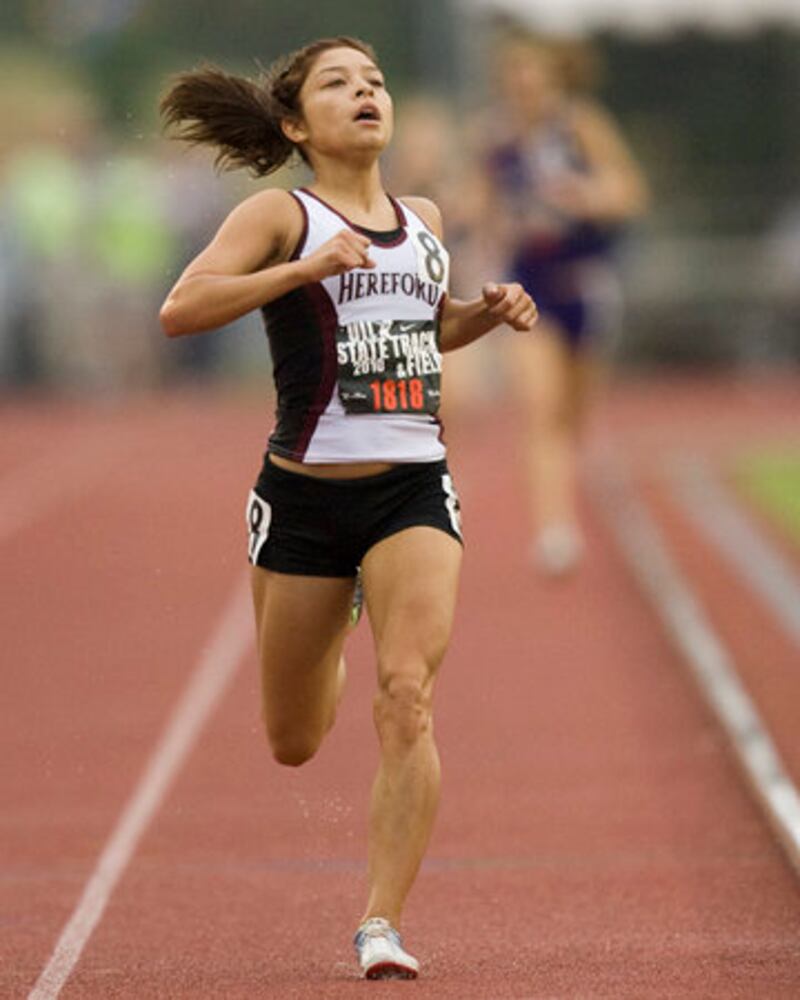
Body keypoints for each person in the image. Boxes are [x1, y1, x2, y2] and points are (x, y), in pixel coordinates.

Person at [158, 37, 537, 980]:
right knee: (294, 740)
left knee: (408, 696)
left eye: (374, 81)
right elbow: (182, 309)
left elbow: (424, 327)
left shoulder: (425, 218)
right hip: (304, 497)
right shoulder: (279, 214)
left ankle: (381, 922)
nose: (365, 93)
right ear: (296, 124)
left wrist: (485, 312)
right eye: (338, 84)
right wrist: (301, 270)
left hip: (412, 487)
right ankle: (339, 611)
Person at [480, 32, 648, 574]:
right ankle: (555, 529)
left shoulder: (581, 125)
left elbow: (630, 192)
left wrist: (588, 195)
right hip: (528, 283)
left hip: (584, 281)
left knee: (573, 416)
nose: (524, 83)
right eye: (515, 74)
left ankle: (571, 478)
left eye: (533, 72)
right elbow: (485, 210)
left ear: (554, 78)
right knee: (541, 409)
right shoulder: (495, 138)